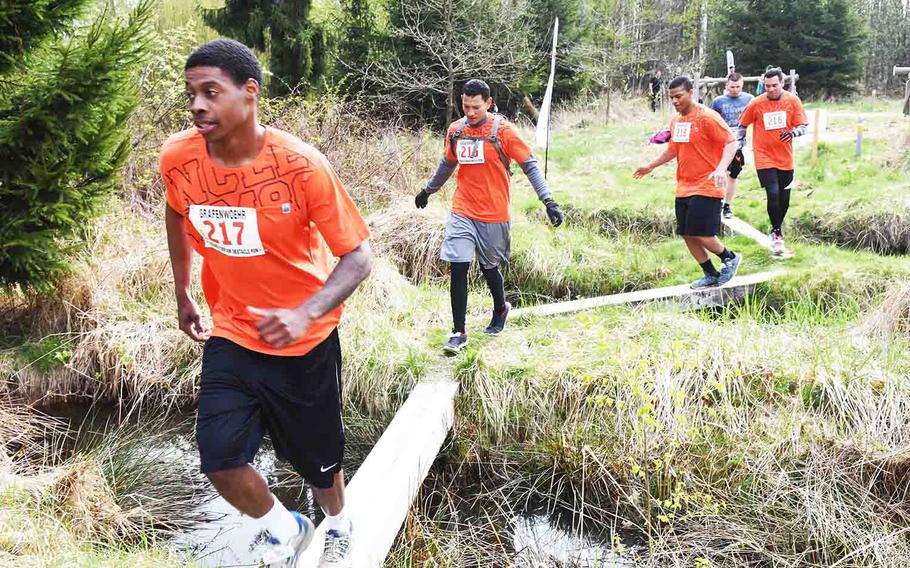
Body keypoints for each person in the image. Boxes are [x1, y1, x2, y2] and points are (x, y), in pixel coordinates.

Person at [160, 39, 372, 568]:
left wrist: (305, 312)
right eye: (192, 94)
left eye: (211, 92)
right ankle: (286, 527)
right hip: (231, 330)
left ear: (249, 92)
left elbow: (358, 257)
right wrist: (183, 289)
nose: (197, 106)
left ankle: (338, 521)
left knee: (319, 463)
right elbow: (176, 213)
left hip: (304, 343)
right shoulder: (179, 158)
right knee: (219, 457)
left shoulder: (300, 166)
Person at [415, 79, 563, 353]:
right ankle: (458, 331)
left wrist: (548, 200)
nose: (470, 112)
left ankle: (500, 307)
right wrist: (428, 190)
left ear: (489, 103)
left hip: (494, 214)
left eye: (476, 107)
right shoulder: (456, 131)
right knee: (457, 266)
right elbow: (447, 164)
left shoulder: (503, 131)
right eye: (465, 106)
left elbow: (529, 165)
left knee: (489, 267)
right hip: (462, 210)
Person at [633, 76, 742, 289]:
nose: (674, 101)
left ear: (691, 93)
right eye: (671, 97)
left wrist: (720, 168)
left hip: (707, 185)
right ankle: (710, 273)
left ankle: (730, 257)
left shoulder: (707, 117)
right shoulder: (676, 121)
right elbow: (673, 149)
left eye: (678, 96)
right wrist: (651, 166)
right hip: (684, 186)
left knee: (702, 233)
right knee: (686, 233)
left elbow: (731, 142)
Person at [739, 67, 808, 257]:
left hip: (785, 157)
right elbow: (742, 125)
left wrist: (794, 132)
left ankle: (775, 226)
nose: (770, 89)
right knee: (773, 193)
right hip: (763, 155)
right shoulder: (757, 103)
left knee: (784, 200)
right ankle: (777, 234)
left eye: (774, 85)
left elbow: (803, 126)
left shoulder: (792, 101)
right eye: (767, 86)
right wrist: (740, 143)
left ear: (782, 83)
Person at [709, 72, 754, 219]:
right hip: (721, 144)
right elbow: (710, 120)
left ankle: (727, 205)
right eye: (732, 87)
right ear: (726, 85)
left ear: (742, 85)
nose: (735, 89)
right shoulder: (718, 101)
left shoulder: (749, 100)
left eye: (738, 87)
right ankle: (718, 203)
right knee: (721, 172)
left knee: (733, 175)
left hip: (739, 145)